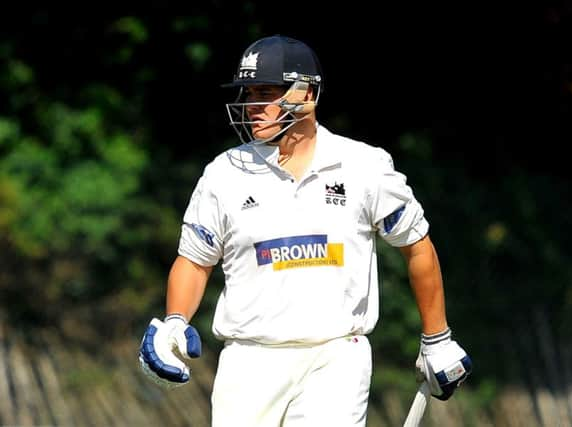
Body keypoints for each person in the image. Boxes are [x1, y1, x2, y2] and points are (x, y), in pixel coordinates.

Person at [138, 34, 472, 426]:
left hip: (336, 356)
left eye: (266, 93)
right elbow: (194, 262)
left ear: (308, 94)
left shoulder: (364, 166)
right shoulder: (224, 174)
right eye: (249, 94)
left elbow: (417, 247)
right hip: (248, 360)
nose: (252, 106)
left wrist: (437, 339)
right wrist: (175, 321)